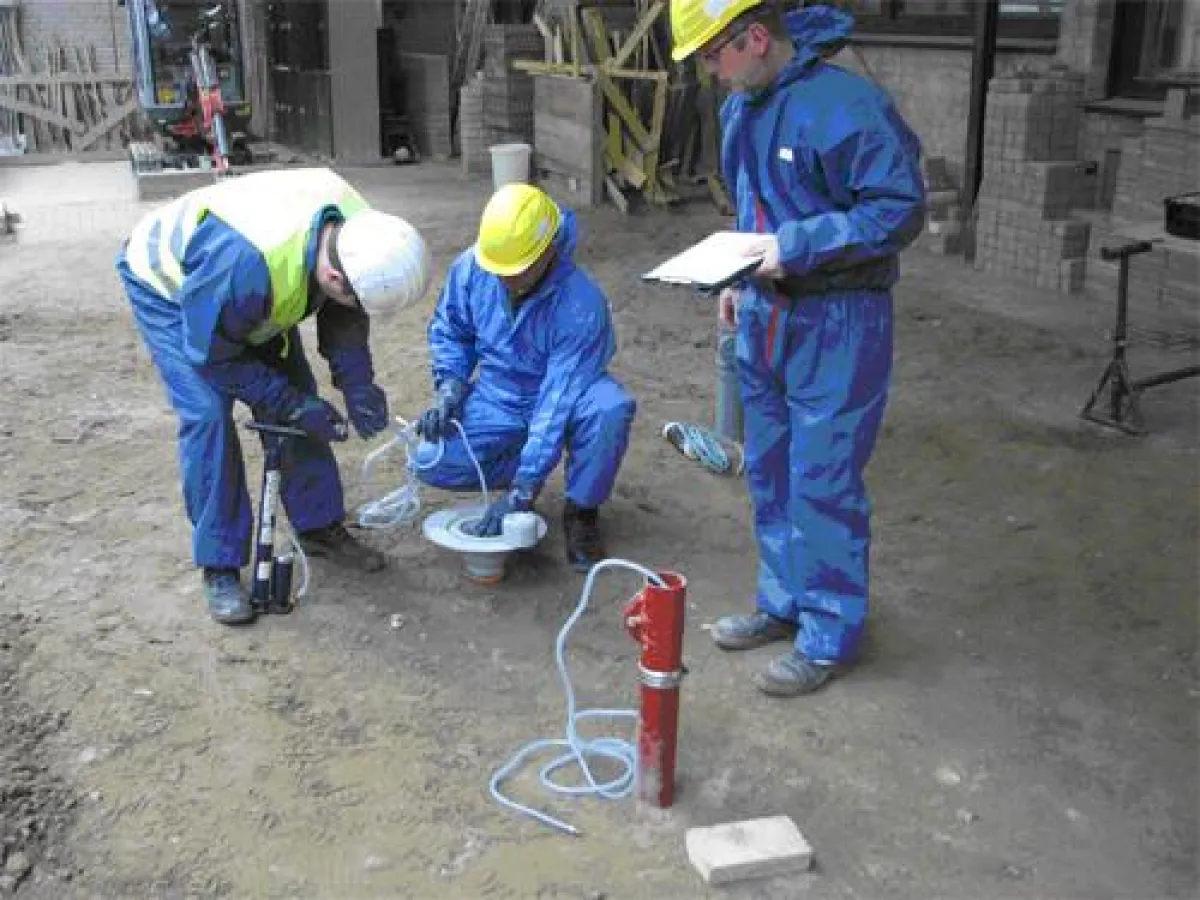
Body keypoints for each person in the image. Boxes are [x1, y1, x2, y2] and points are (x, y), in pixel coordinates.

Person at [670, 0, 926, 696]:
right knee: (771, 468)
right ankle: (783, 602)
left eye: (712, 56)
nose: (710, 73)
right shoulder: (743, 109)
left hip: (839, 321)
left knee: (823, 480)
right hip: (766, 311)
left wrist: (794, 248)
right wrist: (736, 274)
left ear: (755, 39)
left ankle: (830, 632)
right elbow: (754, 204)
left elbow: (897, 210)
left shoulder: (850, 106)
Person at [116, 167, 432, 625]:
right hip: (172, 286)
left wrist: (358, 384)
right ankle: (219, 563)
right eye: (353, 300)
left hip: (244, 290)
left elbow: (344, 317)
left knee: (298, 395)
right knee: (208, 416)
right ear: (333, 276)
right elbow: (214, 357)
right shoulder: (246, 266)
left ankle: (318, 524)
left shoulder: (360, 235)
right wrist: (292, 405)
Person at [413, 184, 635, 572]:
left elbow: (556, 402)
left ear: (548, 250)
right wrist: (450, 386)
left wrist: (522, 490)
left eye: (514, 272)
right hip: (499, 393)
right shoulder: (474, 267)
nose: (503, 281)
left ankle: (582, 511)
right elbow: (452, 330)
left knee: (608, 410)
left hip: (566, 393)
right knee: (431, 461)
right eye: (495, 270)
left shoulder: (581, 304)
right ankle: (530, 463)